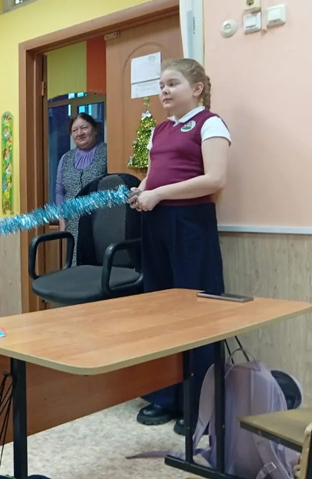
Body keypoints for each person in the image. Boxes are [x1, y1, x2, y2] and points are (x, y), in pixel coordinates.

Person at [128, 58, 231, 434]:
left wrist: (159, 194)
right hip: (155, 224)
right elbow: (152, 176)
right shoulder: (160, 130)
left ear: (197, 88)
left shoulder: (210, 123)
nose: (164, 91)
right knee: (160, 309)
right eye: (161, 86)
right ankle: (164, 396)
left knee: (196, 312)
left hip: (190, 225)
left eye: (172, 83)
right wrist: (141, 191)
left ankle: (198, 401)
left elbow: (215, 179)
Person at [54, 113, 108, 258]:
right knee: (74, 263)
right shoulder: (65, 158)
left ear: (95, 130)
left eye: (84, 128)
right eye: (75, 130)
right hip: (72, 224)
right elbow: (59, 190)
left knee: (98, 262)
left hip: (99, 221)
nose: (80, 133)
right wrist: (61, 218)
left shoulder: (107, 152)